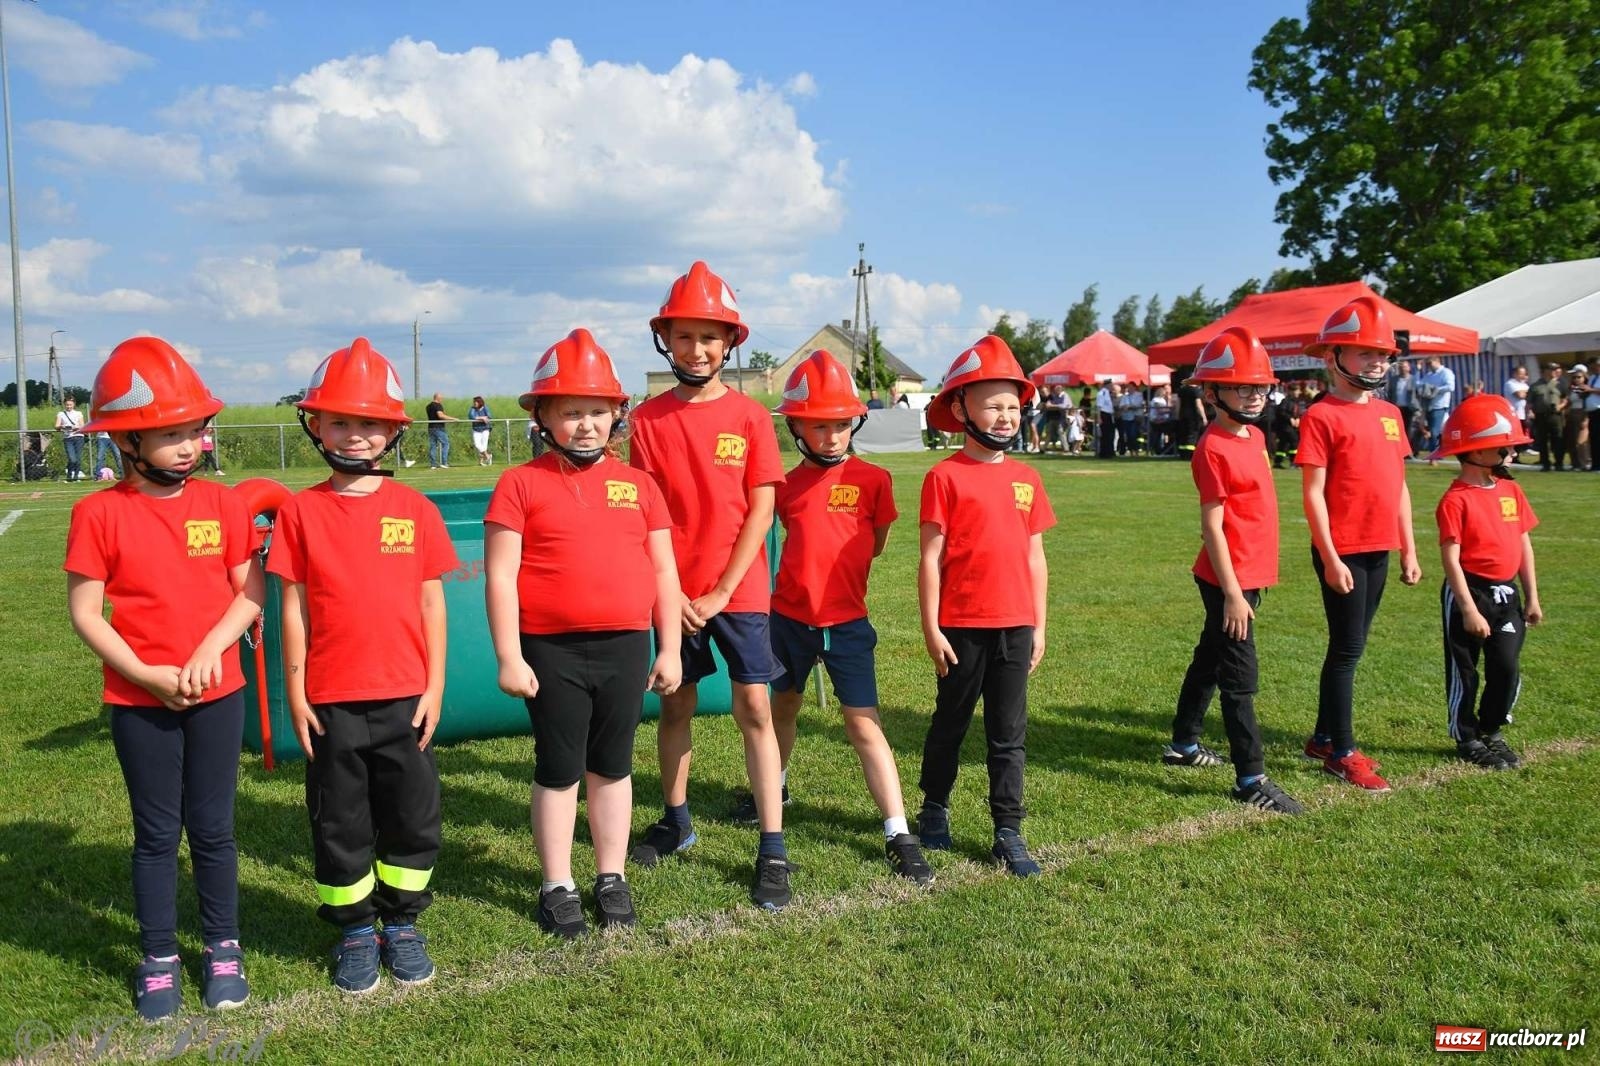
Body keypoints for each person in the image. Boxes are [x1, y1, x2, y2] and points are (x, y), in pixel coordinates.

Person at [64, 337, 264, 1020]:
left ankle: (223, 947)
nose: (188, 445)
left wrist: (212, 650)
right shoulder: (98, 513)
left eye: (193, 430)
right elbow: (86, 614)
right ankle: (157, 956)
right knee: (155, 833)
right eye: (168, 434)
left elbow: (249, 591)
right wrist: (146, 675)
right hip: (137, 700)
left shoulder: (222, 505)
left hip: (218, 695)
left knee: (212, 827)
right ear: (125, 439)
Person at [269, 338, 459, 994]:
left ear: (392, 432)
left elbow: (433, 603)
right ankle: (354, 927)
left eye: (369, 423)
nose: (355, 436)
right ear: (315, 426)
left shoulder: (414, 510)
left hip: (407, 696)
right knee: (339, 817)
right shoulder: (300, 512)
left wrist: (435, 685)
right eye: (341, 422)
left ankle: (401, 922)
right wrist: (295, 690)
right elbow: (291, 608)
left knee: (411, 811)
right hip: (330, 698)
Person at [485, 329, 683, 937]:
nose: (586, 424)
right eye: (571, 411)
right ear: (543, 416)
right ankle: (556, 883)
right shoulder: (520, 484)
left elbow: (663, 569)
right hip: (551, 652)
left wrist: (670, 646)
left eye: (598, 411)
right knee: (559, 769)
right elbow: (500, 575)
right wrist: (510, 656)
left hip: (625, 647)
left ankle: (610, 874)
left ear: (616, 415)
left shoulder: (639, 485)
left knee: (613, 767)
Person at [626, 261, 794, 910]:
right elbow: (645, 511)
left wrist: (722, 592)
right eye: (685, 336)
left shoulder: (752, 418)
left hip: (740, 591)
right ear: (666, 340)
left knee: (754, 707)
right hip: (673, 592)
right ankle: (677, 820)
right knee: (675, 704)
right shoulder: (645, 421)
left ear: (730, 344)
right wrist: (668, 593)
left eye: (710, 337)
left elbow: (760, 511)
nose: (697, 350)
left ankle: (772, 845)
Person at [757, 349, 934, 884]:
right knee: (781, 709)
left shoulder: (875, 480)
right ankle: (775, 786)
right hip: (787, 621)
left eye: (840, 425)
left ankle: (898, 830)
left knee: (863, 725)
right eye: (818, 426)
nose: (832, 436)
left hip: (848, 625)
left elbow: (874, 544)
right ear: (797, 428)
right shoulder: (783, 486)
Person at [915, 335, 1055, 877]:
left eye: (1013, 406)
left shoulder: (1027, 479)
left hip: (1015, 627)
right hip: (962, 628)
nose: (1004, 415)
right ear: (960, 408)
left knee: (1008, 734)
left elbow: (1036, 556)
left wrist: (1039, 625)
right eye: (992, 404)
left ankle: (1007, 830)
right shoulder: (943, 476)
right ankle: (934, 807)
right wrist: (932, 628)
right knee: (949, 722)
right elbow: (930, 560)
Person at [1164, 327, 1304, 815]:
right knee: (1240, 679)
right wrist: (1231, 593)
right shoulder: (1213, 447)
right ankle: (1251, 778)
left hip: (1249, 576)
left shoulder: (1258, 435)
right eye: (1242, 386)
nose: (1254, 394)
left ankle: (1183, 743)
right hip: (1229, 581)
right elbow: (1213, 527)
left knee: (1210, 658)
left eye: (1259, 386)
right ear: (1212, 392)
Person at [1297, 295, 1422, 792]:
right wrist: (1329, 556)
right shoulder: (1321, 416)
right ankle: (1342, 752)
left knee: (1355, 644)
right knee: (1346, 649)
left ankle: (1324, 736)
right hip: (1342, 549)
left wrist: (1409, 548)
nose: (1377, 361)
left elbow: (1400, 485)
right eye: (1365, 352)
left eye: (1383, 354)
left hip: (1380, 546)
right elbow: (1312, 493)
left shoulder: (1391, 414)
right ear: (1334, 357)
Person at [1429, 395, 1542, 771]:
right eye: (1502, 444)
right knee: (1465, 670)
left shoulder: (1511, 491)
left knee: (1506, 664)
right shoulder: (1455, 500)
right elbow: (1450, 557)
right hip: (1470, 593)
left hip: (1506, 593)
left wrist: (1532, 597)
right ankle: (1467, 736)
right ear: (1475, 451)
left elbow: (1523, 542)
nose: (1510, 451)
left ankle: (1492, 728)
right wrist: (1467, 607)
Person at [1526, 363, 1568, 471]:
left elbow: (1565, 398)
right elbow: (1530, 402)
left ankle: (1559, 463)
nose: (1555, 372)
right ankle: (1545, 464)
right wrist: (1529, 412)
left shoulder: (1560, 384)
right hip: (1540, 415)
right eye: (1552, 369)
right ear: (1545, 371)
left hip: (1555, 415)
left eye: (1556, 369)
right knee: (1542, 440)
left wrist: (1561, 406)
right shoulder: (1535, 385)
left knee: (1558, 439)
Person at [1415, 355, 1457, 457]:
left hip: (1440, 406)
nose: (1428, 366)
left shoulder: (1446, 372)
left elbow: (1451, 387)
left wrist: (1435, 390)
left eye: (1430, 363)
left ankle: (1435, 454)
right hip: (1428, 406)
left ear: (1437, 361)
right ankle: (1435, 453)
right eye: (1427, 364)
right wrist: (1417, 371)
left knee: (1434, 432)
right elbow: (1418, 384)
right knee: (1430, 431)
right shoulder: (1429, 375)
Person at [1563, 365, 1591, 471]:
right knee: (1572, 440)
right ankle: (1576, 463)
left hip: (1583, 413)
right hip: (1572, 414)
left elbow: (1583, 398)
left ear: (1584, 377)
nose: (1576, 379)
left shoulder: (1586, 388)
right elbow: (1569, 401)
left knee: (1582, 441)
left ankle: (1585, 463)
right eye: (1574, 377)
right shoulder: (1572, 389)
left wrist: (1586, 418)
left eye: (1579, 377)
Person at [1502, 365, 1531, 459]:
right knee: (1514, 437)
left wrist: (1526, 392)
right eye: (1520, 374)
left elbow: (1528, 395)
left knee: (1521, 436)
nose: (1523, 376)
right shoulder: (1510, 383)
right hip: (1514, 414)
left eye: (1524, 374)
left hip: (1523, 414)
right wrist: (1527, 392)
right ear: (1515, 374)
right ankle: (1511, 456)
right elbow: (1520, 395)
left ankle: (1516, 456)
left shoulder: (1524, 385)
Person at [425, 391, 458, 468]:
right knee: (446, 444)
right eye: (441, 398)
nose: (442, 400)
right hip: (438, 428)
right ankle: (444, 462)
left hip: (431, 427)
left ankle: (433, 464)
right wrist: (453, 419)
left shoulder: (428, 406)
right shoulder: (438, 405)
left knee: (433, 445)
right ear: (438, 398)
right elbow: (441, 416)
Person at [469, 395, 493, 465]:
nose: (474, 403)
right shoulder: (473, 409)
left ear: (479, 402)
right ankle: (488, 456)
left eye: (475, 402)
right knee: (477, 445)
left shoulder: (485, 408)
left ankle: (482, 461)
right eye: (474, 402)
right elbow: (471, 416)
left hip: (485, 429)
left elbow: (489, 416)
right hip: (476, 429)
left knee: (484, 445)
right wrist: (482, 418)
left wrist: (480, 418)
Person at [1095, 380, 1116, 458]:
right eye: (1111, 385)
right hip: (1104, 414)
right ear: (1107, 385)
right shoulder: (1102, 393)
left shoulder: (1108, 393)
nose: (1112, 387)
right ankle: (1104, 453)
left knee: (1110, 434)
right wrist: (1099, 417)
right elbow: (1099, 406)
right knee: (1105, 435)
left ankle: (1109, 451)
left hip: (1109, 415)